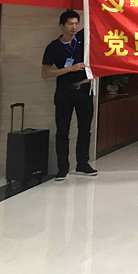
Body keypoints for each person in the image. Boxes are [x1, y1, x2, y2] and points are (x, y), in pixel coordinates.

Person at [40, 10, 96, 181]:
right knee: (62, 130)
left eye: (76, 23)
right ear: (62, 26)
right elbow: (45, 73)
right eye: (70, 24)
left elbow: (96, 21)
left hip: (84, 90)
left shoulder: (82, 40)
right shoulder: (53, 47)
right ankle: (62, 167)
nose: (74, 27)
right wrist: (69, 69)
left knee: (85, 129)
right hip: (64, 91)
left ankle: (82, 163)